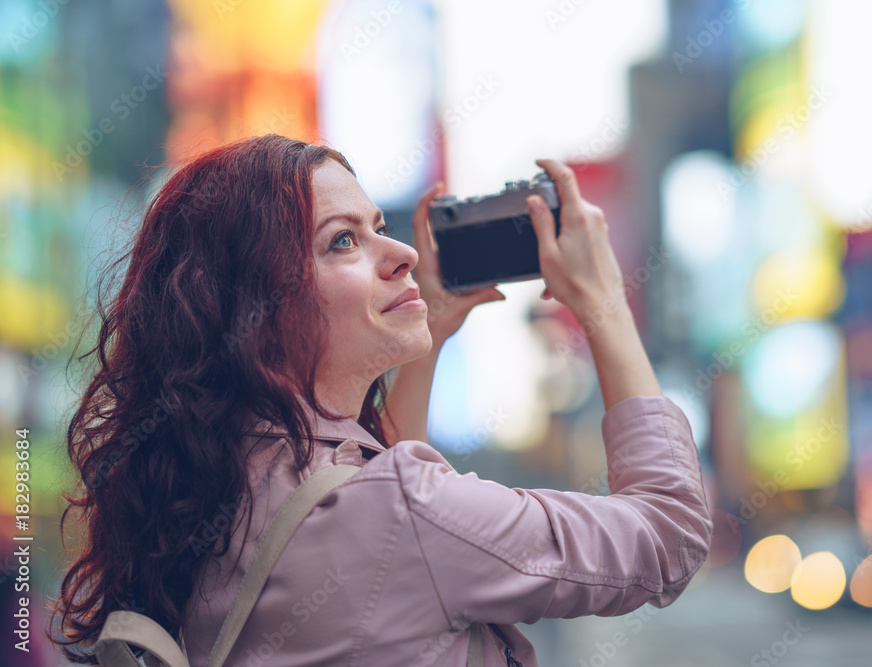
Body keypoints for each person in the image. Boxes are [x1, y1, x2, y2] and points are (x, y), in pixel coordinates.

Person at [47, 134, 712, 666]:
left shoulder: (208, 483)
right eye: (344, 240)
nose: (399, 252)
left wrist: (425, 331)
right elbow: (668, 534)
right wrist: (601, 302)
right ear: (260, 308)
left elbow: (366, 526)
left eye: (378, 227)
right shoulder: (401, 509)